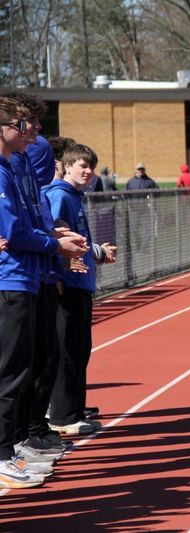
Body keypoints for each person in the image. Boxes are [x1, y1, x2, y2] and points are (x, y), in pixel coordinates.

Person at [0, 97, 87, 488]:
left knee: (25, 366)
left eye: (32, 123)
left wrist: (52, 238)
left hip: (28, 275)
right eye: (21, 124)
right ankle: (6, 451)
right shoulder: (9, 168)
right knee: (11, 373)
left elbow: (26, 224)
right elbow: (15, 231)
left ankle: (14, 445)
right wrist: (54, 246)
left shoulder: (15, 164)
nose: (30, 131)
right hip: (12, 278)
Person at [44, 144, 116, 437]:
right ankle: (62, 414)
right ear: (67, 166)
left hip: (81, 283)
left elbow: (78, 240)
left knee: (79, 348)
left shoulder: (74, 197)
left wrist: (95, 253)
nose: (88, 172)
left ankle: (73, 409)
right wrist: (57, 272)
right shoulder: (60, 196)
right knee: (68, 350)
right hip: (68, 285)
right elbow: (56, 236)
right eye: (82, 166)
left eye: (91, 167)